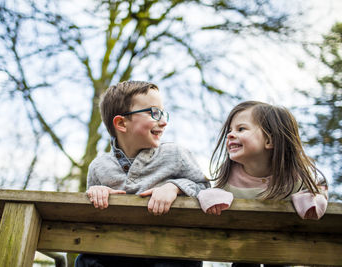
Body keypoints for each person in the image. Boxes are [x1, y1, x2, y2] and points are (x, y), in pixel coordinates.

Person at [75, 80, 209, 267]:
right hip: (119, 250)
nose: (163, 122)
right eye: (154, 113)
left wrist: (174, 187)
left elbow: (204, 188)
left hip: (168, 249)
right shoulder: (99, 166)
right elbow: (91, 220)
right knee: (86, 259)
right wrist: (96, 194)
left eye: (163, 113)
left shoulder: (175, 155)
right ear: (122, 123)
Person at [197, 100, 328, 267]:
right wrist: (213, 197)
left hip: (282, 246)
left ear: (270, 140)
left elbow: (320, 188)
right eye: (230, 130)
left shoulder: (295, 175)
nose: (230, 135)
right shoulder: (229, 177)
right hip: (244, 247)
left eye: (241, 129)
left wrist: (310, 200)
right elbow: (209, 192)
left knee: (279, 260)